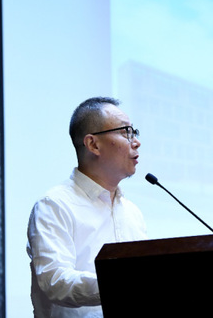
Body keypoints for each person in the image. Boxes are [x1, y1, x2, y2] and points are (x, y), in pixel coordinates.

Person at [27, 97, 147, 317]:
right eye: (126, 132)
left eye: (135, 132)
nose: (136, 142)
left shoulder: (132, 212)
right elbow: (55, 281)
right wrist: (122, 283)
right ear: (93, 144)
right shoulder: (54, 205)